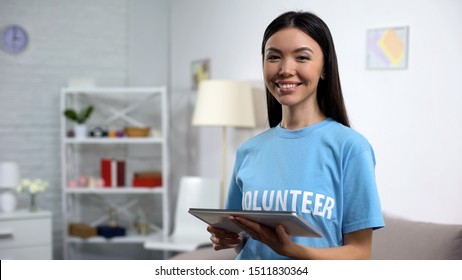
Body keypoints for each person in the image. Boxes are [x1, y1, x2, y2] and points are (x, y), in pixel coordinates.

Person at [207, 11, 385, 260]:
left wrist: (292, 250)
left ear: (324, 68)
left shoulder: (351, 148)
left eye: (301, 57)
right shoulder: (248, 151)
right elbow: (244, 239)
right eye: (274, 57)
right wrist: (228, 237)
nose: (285, 69)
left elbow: (360, 254)